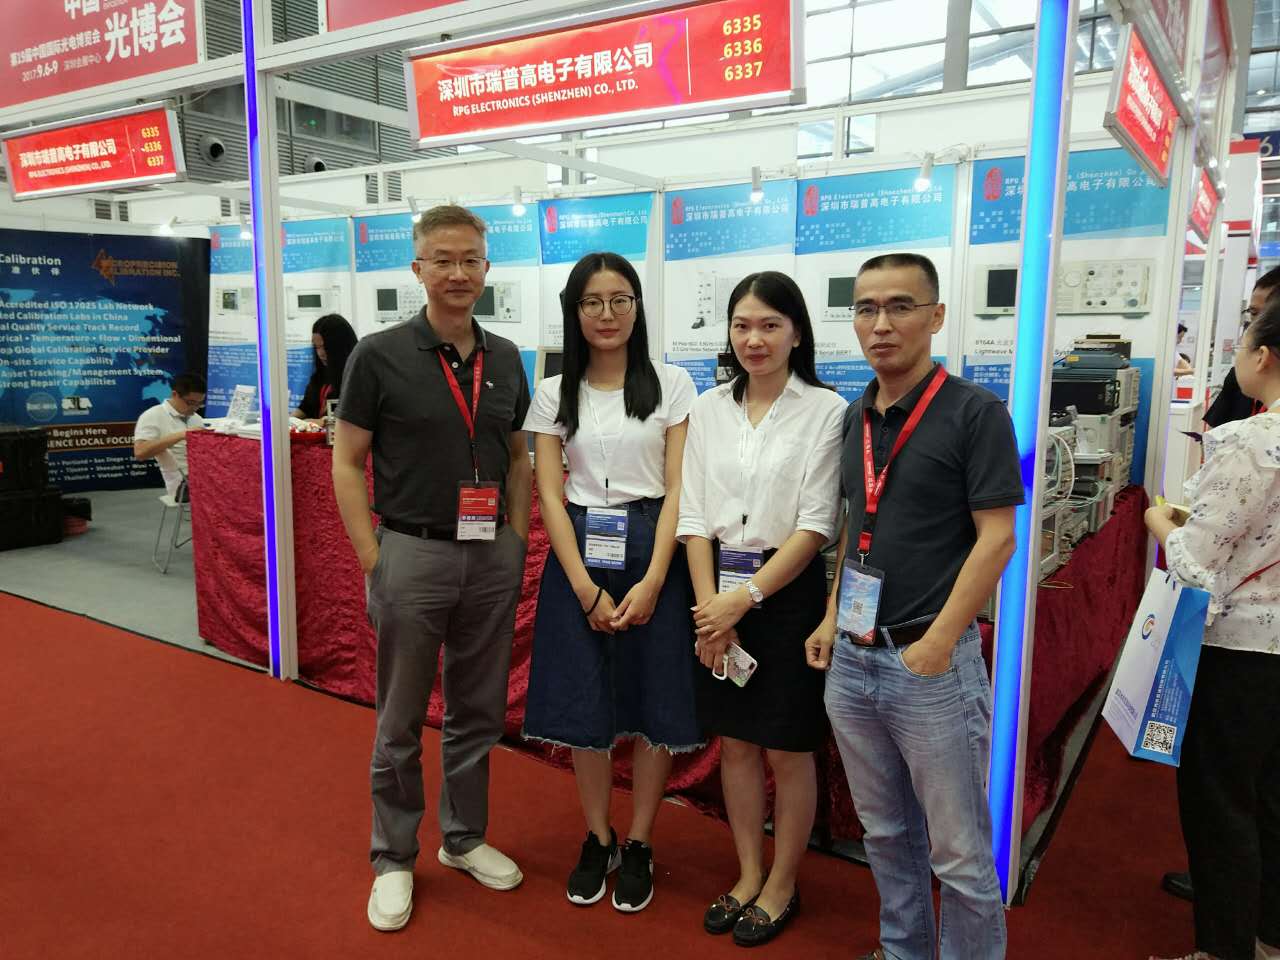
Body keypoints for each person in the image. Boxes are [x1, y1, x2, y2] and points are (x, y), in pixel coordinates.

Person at [806, 253, 1022, 960]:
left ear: (936, 316)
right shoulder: (855, 417)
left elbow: (997, 539)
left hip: (930, 664)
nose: (881, 324)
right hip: (854, 658)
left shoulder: (974, 412)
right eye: (866, 308)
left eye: (900, 306)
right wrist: (831, 617)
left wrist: (938, 643)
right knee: (885, 833)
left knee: (959, 852)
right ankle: (904, 950)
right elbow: (855, 528)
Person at [332, 204, 532, 933]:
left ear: (487, 268)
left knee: (478, 711)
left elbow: (517, 456)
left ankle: (464, 837)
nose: (457, 272)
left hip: (489, 554)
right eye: (442, 260)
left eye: (470, 259)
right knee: (400, 718)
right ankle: (392, 857)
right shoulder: (378, 355)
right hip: (411, 553)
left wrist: (516, 538)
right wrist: (374, 556)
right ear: (417, 268)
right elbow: (347, 463)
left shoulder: (506, 357)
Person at [522, 252, 700, 913]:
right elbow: (549, 493)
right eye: (592, 302)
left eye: (619, 299)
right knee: (585, 699)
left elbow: (680, 486)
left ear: (637, 306)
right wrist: (582, 587)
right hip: (579, 553)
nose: (607, 313)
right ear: (574, 312)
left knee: (653, 698)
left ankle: (641, 839)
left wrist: (655, 578)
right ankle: (598, 836)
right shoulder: (554, 391)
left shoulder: (671, 384)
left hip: (654, 548)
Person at [677, 271, 846, 948]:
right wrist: (709, 611)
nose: (755, 339)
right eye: (742, 325)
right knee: (737, 744)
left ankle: (782, 882)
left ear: (796, 332)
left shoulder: (826, 410)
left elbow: (816, 525)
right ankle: (748, 872)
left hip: (784, 596)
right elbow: (693, 517)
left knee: (788, 748)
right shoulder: (709, 408)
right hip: (713, 592)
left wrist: (741, 601)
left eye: (770, 325)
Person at [1145, 296, 1280, 960]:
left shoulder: (1250, 443)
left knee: (1220, 802)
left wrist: (1160, 524)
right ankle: (1268, 936)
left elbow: (1198, 566)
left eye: (1241, 342)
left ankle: (1221, 949)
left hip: (1238, 649)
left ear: (1264, 355)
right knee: (1271, 797)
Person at [1203, 265, 1280, 430]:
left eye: (1271, 315)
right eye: (1254, 313)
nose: (1259, 324)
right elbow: (1212, 432)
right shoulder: (1240, 377)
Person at [133, 372, 206, 501]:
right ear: (174, 394)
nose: (195, 408)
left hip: (203, 474)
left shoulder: (196, 419)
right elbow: (140, 452)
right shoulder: (153, 415)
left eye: (199, 403)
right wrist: (181, 435)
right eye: (191, 402)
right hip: (182, 482)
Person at [293, 313, 357, 421]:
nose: (320, 353)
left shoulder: (356, 378)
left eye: (324, 347)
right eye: (316, 347)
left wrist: (316, 422)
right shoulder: (320, 375)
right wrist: (288, 422)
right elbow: (305, 408)